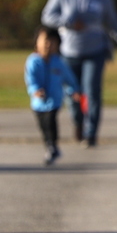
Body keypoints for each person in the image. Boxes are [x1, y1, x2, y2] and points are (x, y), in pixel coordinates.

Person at [41, 0, 117, 148]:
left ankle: (91, 134)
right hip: (69, 52)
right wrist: (68, 22)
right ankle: (78, 123)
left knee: (92, 92)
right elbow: (47, 16)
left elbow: (112, 22)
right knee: (72, 93)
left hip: (95, 51)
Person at [25, 26, 79, 165]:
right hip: (38, 102)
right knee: (43, 126)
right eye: (45, 41)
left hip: (54, 100)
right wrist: (35, 90)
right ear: (37, 42)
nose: (48, 45)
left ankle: (53, 146)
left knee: (51, 122)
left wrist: (74, 91)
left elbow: (68, 79)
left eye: (52, 42)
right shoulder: (33, 61)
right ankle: (49, 145)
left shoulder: (59, 63)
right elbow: (31, 79)